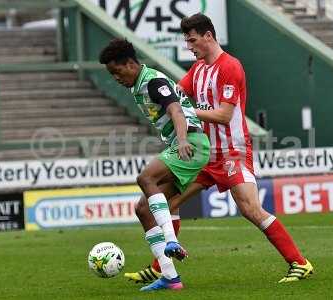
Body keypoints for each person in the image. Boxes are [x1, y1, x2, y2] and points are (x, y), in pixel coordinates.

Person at [125, 13, 313, 284]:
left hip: (232, 151)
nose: (189, 47)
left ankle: (299, 263)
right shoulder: (198, 69)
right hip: (203, 155)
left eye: (192, 40)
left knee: (250, 208)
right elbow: (175, 95)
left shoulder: (230, 67)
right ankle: (162, 268)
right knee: (170, 203)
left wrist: (187, 111)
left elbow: (224, 115)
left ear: (208, 36)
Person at [99, 38, 210, 291]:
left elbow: (176, 111)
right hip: (183, 145)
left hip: (191, 143)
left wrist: (182, 141)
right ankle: (171, 278)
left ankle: (171, 240)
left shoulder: (153, 81)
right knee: (143, 209)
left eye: (117, 71)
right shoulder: (138, 86)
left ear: (129, 64)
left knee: (145, 178)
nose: (115, 78)